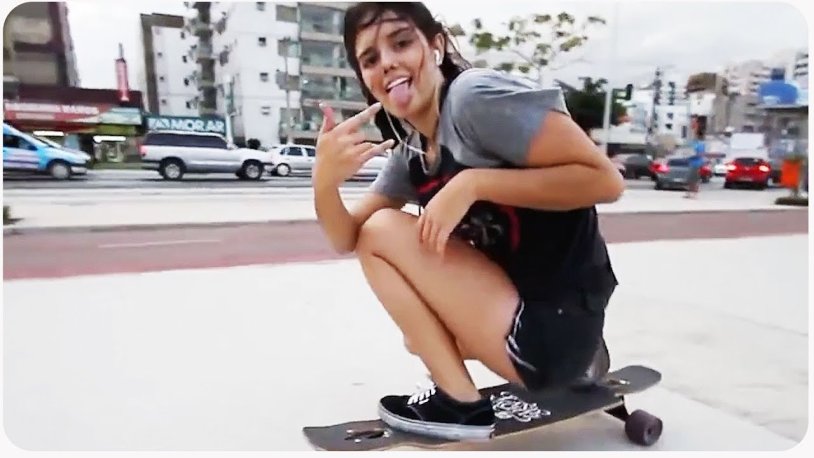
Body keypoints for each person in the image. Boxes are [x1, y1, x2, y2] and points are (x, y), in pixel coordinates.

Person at [312, 2, 624, 441]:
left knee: (383, 230)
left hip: (550, 324)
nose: (389, 64)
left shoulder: (473, 98)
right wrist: (323, 184)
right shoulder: (414, 149)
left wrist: (473, 184)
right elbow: (347, 237)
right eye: (371, 59)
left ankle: (460, 405)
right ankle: (582, 362)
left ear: (436, 44)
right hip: (540, 325)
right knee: (419, 334)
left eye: (401, 43)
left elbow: (604, 181)